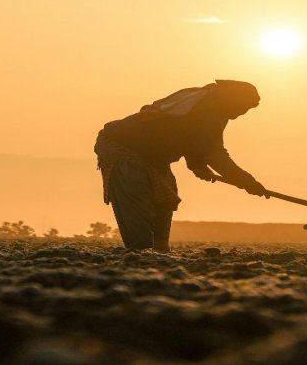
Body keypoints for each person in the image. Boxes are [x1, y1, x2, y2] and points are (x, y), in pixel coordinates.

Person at [94, 80, 267, 251]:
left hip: (154, 156)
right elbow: (215, 155)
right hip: (121, 147)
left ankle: (159, 251)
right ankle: (141, 253)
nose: (241, 113)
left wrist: (196, 165)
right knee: (137, 195)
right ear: (232, 99)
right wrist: (248, 183)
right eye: (243, 107)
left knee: (164, 199)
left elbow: (191, 138)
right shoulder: (206, 111)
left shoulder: (211, 106)